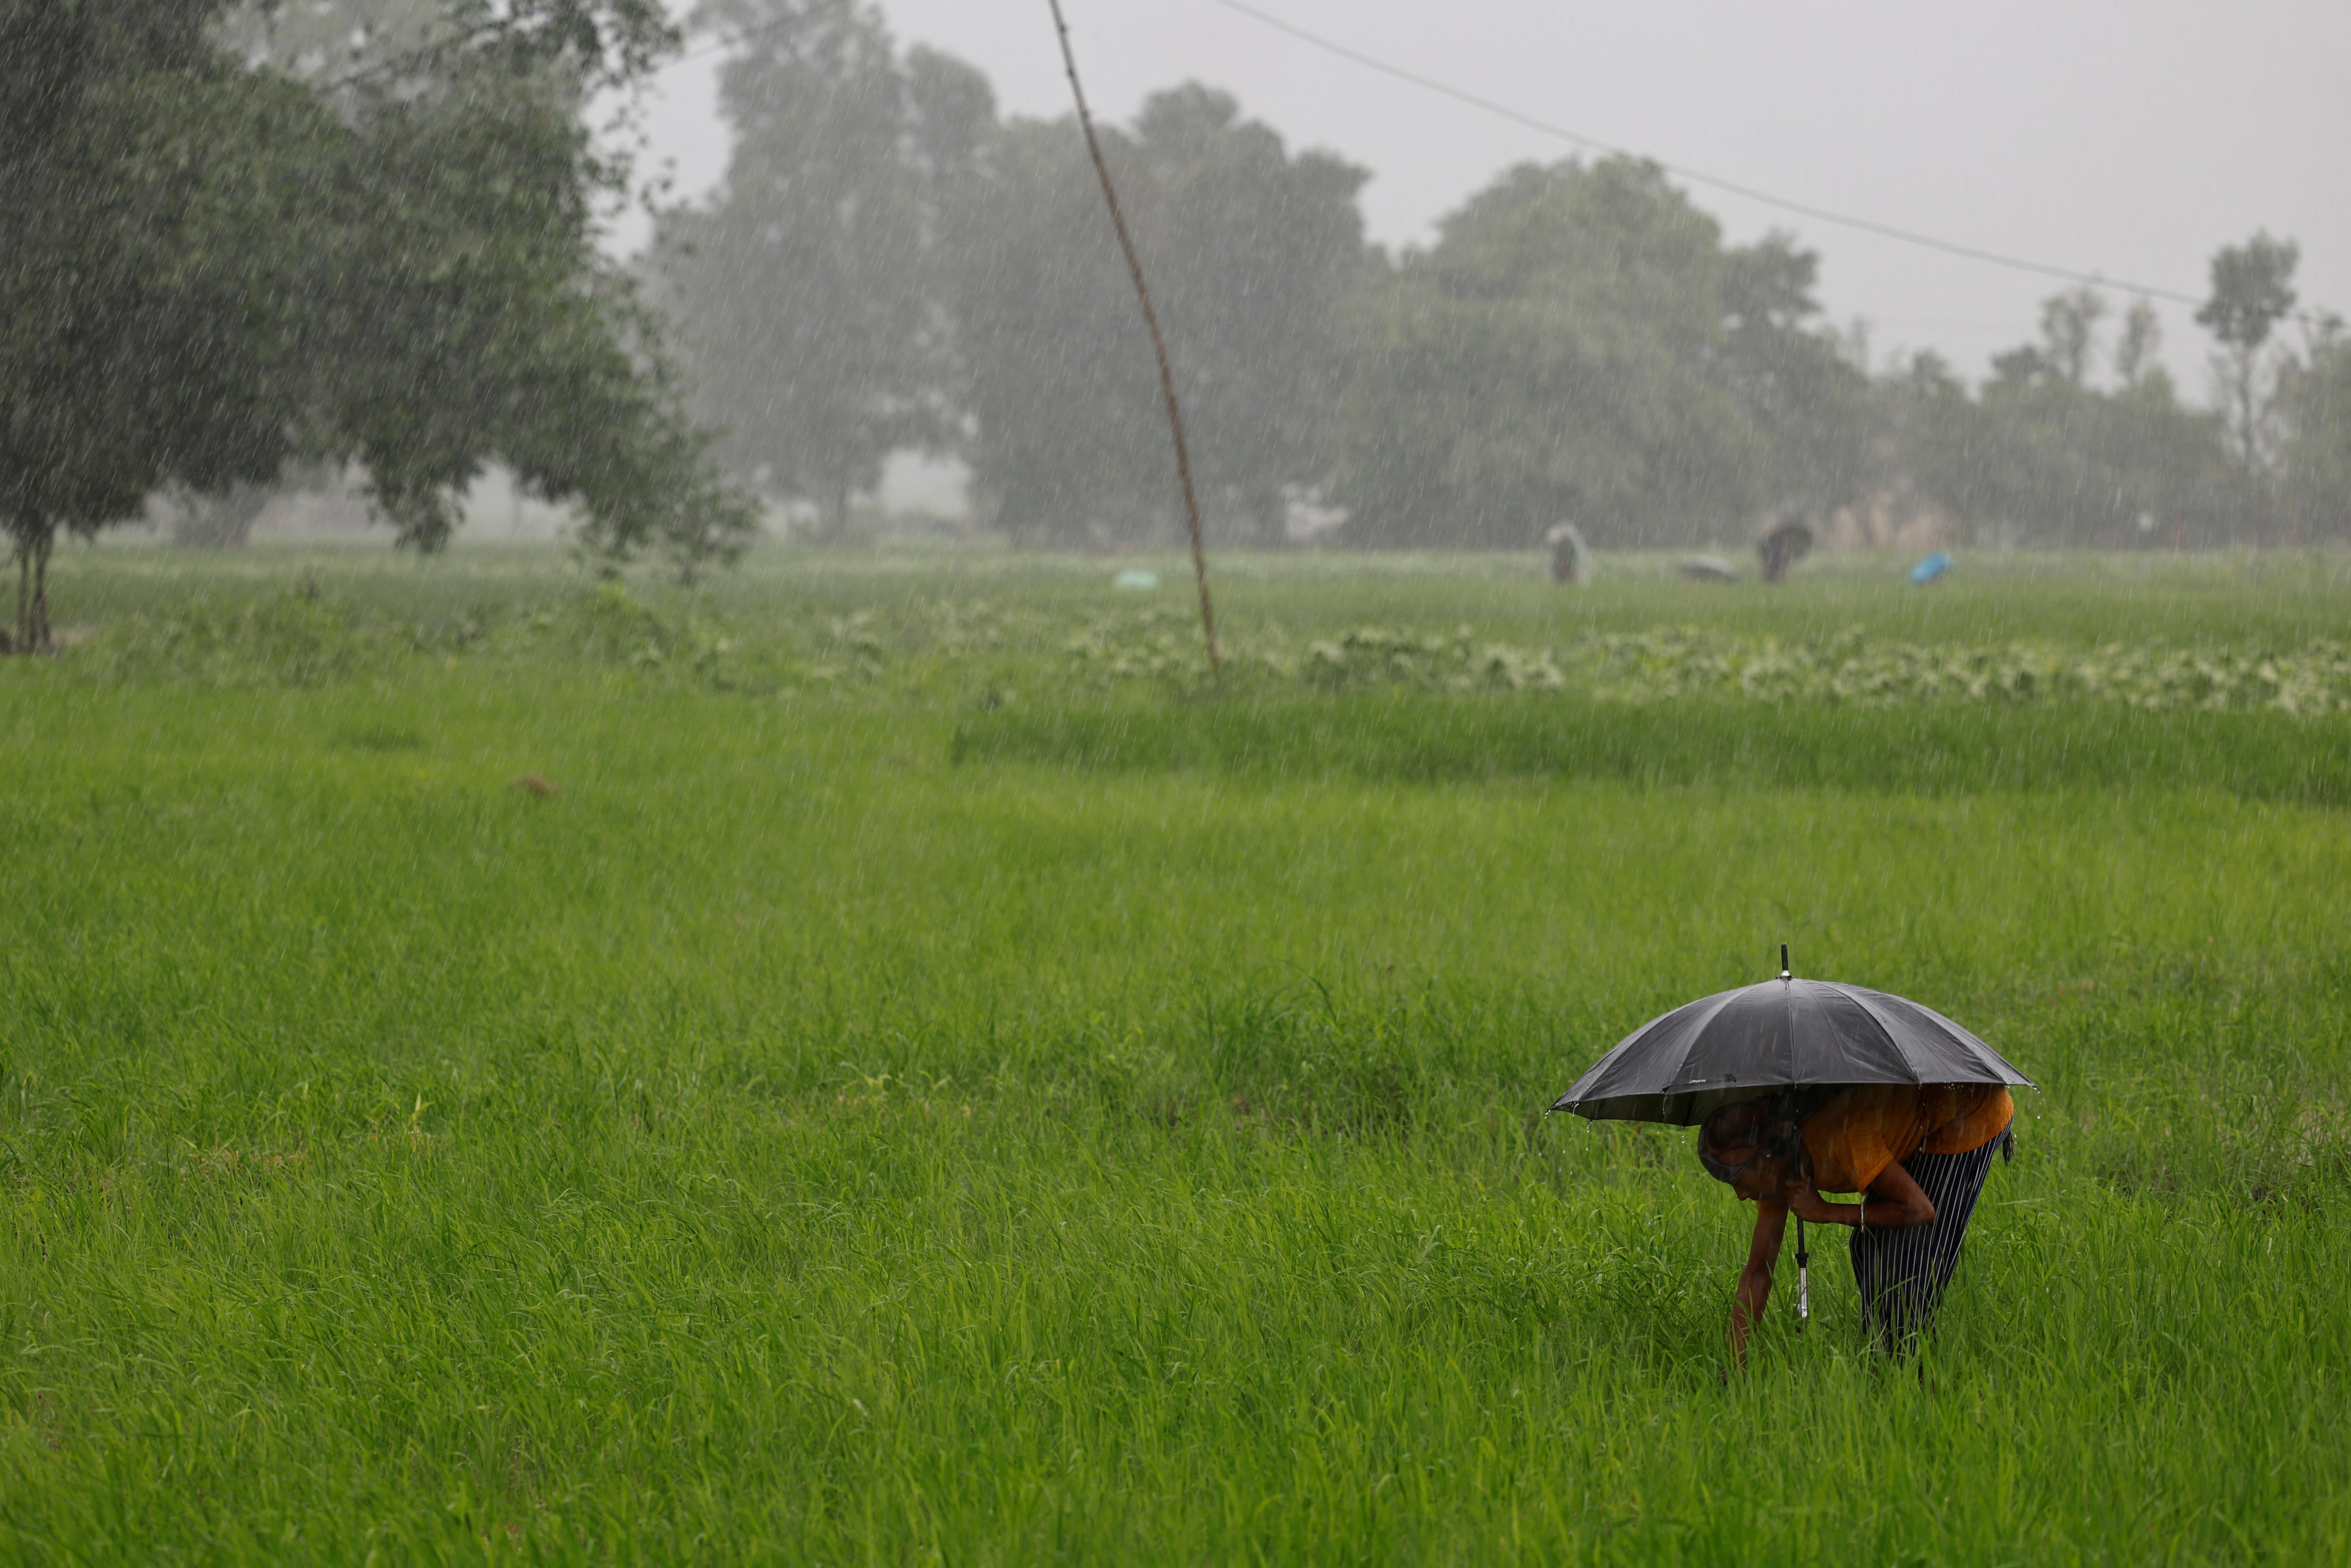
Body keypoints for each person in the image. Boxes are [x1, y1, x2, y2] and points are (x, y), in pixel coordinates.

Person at [1698, 1083, 2013, 1360]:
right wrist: (1733, 1368)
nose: (1740, 1195)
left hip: (1969, 1113)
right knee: (1870, 1246)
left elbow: (1921, 1211)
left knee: (1905, 1265)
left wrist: (1827, 1211)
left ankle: (1912, 1382)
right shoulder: (1778, 1167)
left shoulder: (1842, 1134)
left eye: (1738, 1180)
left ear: (1766, 1154)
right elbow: (1757, 1272)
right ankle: (1886, 1365)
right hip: (1912, 1116)